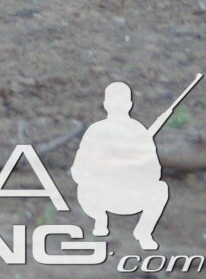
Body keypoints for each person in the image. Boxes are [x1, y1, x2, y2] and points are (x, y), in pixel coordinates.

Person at [72, 81, 170, 251]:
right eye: (113, 101)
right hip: (100, 195)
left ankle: (143, 232)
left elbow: (155, 171)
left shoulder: (139, 131)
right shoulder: (96, 131)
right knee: (85, 188)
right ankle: (100, 220)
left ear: (130, 104)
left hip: (131, 195)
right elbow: (79, 169)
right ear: (105, 104)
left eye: (121, 101)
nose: (117, 105)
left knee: (161, 189)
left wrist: (134, 168)